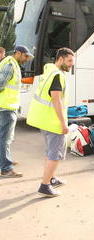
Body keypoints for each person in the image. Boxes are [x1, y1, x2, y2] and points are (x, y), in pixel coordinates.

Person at [27, 47, 74, 197]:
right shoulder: (57, 76)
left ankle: (51, 178)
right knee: (55, 154)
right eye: (69, 60)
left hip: (43, 119)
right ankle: (45, 185)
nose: (71, 64)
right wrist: (63, 123)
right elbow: (56, 100)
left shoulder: (49, 70)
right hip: (53, 122)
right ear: (60, 59)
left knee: (49, 152)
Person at [0, 46, 33, 178]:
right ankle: (6, 168)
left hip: (8, 106)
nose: (26, 59)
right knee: (5, 138)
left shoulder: (12, 63)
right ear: (18, 53)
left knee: (5, 138)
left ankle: (5, 160)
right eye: (25, 56)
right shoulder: (10, 65)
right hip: (6, 107)